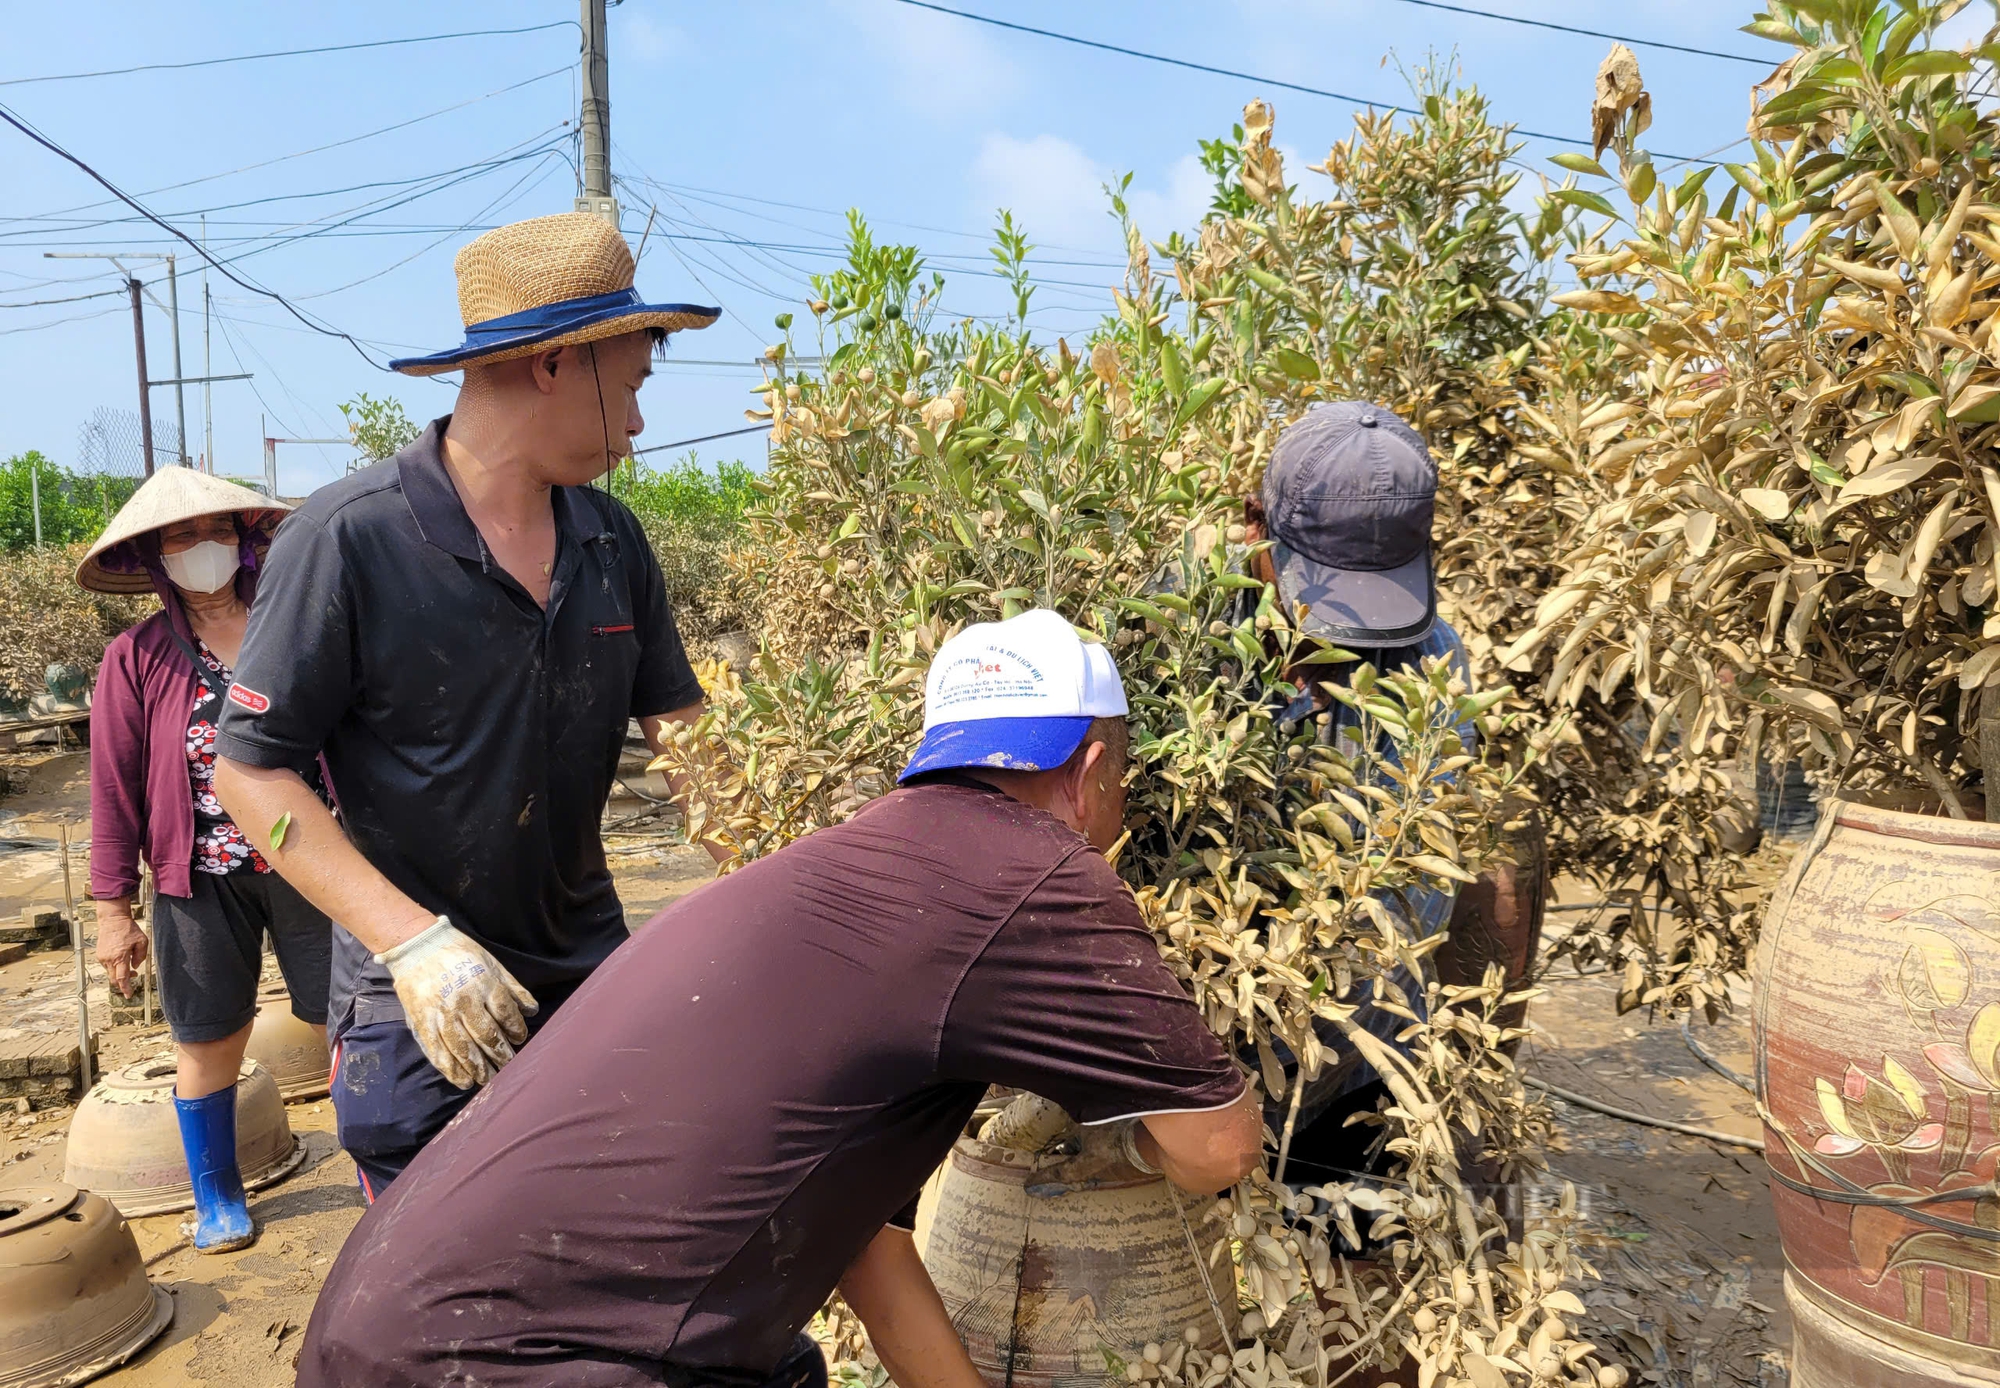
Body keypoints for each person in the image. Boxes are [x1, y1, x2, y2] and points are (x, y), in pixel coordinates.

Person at [295, 608, 1263, 1388]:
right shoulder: (1038, 873)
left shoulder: (843, 872)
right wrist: (1124, 1133)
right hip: (528, 1362)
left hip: (376, 1329)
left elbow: (863, 1249)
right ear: (1093, 771)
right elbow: (1216, 1149)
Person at [210, 211, 723, 1198]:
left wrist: (791, 871)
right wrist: (412, 940)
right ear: (553, 364)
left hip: (587, 989)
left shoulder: (611, 543)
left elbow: (690, 743)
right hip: (423, 1010)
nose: (641, 423)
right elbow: (249, 768)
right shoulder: (349, 539)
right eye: (633, 384)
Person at [81, 466, 333, 1253]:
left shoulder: (291, 625)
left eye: (218, 532)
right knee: (208, 1036)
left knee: (352, 1019)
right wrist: (113, 911)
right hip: (199, 877)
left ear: (245, 540)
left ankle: (382, 1164)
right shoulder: (137, 658)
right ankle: (218, 1197)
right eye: (184, 537)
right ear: (158, 556)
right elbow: (114, 788)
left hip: (312, 859)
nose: (204, 548)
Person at [1242, 400, 1478, 1190]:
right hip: (1213, 1073)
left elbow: (1414, 883)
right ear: (1262, 539)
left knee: (1341, 1274)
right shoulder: (1196, 640)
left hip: (1359, 1069)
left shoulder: (1437, 660)